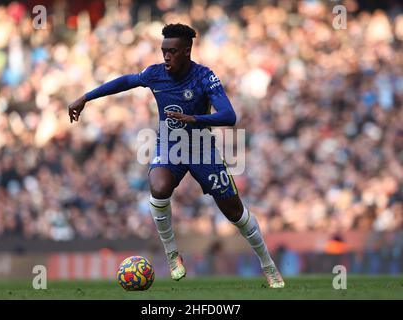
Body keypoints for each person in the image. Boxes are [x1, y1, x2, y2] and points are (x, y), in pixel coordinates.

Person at [68, 23, 285, 288]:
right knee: (158, 187)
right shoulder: (155, 74)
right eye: (163, 51)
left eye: (172, 51)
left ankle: (268, 265)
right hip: (169, 146)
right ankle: (172, 255)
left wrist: (194, 118)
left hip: (202, 149)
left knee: (234, 212)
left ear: (187, 50)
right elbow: (126, 81)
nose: (166, 56)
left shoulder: (205, 77)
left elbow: (229, 116)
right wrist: (86, 97)